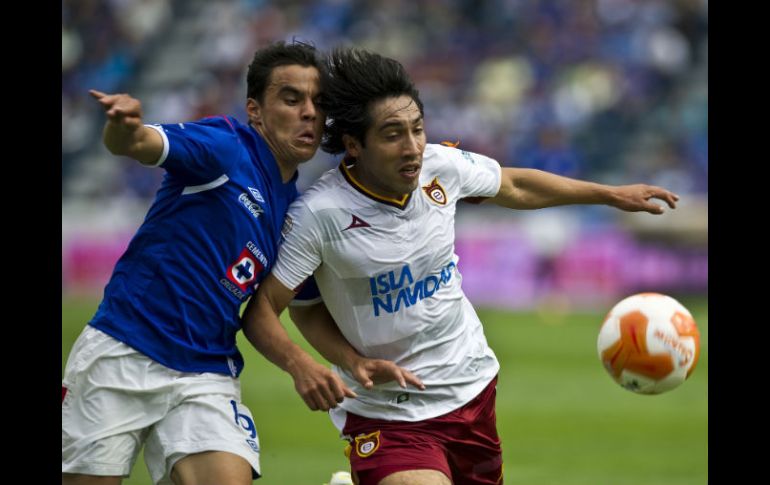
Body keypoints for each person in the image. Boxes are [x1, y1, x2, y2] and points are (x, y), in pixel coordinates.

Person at [243, 47, 680, 485]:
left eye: (417, 129)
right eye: (393, 134)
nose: (412, 146)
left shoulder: (441, 166)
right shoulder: (320, 214)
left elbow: (515, 185)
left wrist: (610, 195)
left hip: (472, 388)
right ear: (355, 145)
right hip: (387, 412)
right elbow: (267, 310)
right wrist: (311, 365)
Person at [62, 41, 419, 485]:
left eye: (318, 102)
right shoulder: (224, 147)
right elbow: (136, 142)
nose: (309, 112)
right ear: (255, 110)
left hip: (205, 373)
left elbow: (282, 308)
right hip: (123, 352)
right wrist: (123, 125)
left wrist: (331, 361)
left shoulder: (295, 209)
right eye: (292, 99)